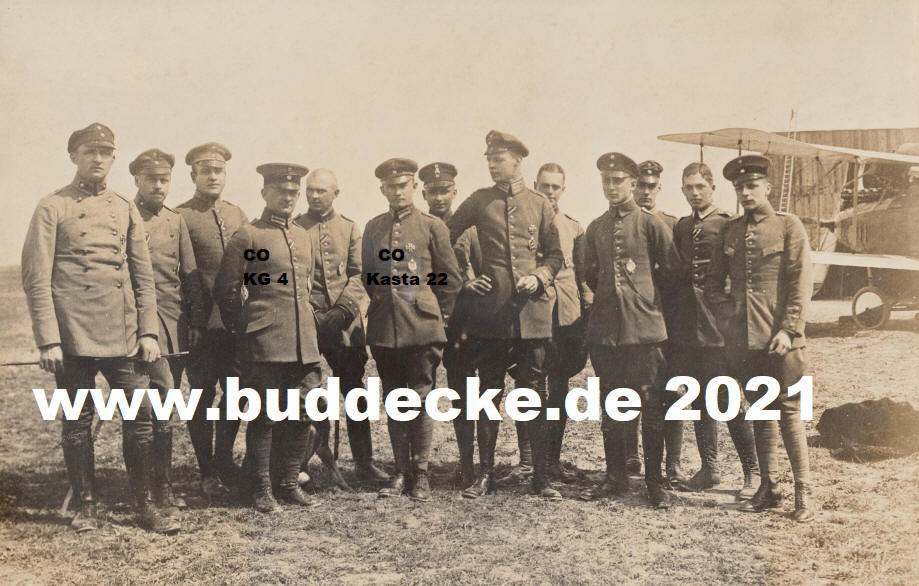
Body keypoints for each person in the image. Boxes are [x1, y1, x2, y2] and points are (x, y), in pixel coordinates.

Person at [21, 123, 177, 533]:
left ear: (113, 159)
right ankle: (86, 504)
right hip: (72, 336)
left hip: (123, 334)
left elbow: (143, 277)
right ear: (74, 156)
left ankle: (144, 504)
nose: (97, 159)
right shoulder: (52, 206)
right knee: (77, 420)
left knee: (141, 416)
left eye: (105, 153)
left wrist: (148, 332)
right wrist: (48, 339)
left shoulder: (123, 207)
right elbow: (36, 278)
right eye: (89, 152)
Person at [447, 131, 564, 500]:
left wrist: (539, 276)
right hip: (491, 316)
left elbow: (555, 255)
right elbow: (443, 238)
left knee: (534, 394)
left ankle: (541, 477)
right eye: (489, 159)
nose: (492, 165)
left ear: (517, 160)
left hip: (532, 316)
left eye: (498, 159)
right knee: (489, 393)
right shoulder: (479, 200)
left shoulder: (540, 204)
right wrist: (464, 279)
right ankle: (485, 475)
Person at [706, 155, 815, 522]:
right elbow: (712, 283)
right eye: (740, 187)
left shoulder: (788, 226)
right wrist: (727, 319)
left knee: (788, 412)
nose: (746, 193)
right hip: (744, 340)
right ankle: (770, 487)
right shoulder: (731, 231)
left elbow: (800, 283)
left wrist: (789, 329)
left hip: (781, 339)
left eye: (752, 186)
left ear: (767, 187)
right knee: (760, 411)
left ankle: (803, 492)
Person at [213, 163, 321, 512]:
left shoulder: (302, 235)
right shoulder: (249, 236)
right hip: (265, 343)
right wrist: (243, 329)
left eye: (293, 192)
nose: (288, 198)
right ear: (264, 193)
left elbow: (307, 288)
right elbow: (226, 290)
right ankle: (261, 489)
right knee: (264, 415)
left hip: (303, 342)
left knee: (303, 410)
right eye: (281, 191)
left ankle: (288, 483)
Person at [362, 158, 461, 501]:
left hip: (422, 328)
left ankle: (420, 473)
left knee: (419, 397)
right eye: (391, 186)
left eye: (403, 185)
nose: (397, 192)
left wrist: (440, 320)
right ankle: (400, 471)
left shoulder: (432, 226)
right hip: (385, 328)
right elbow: (368, 276)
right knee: (394, 399)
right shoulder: (373, 228)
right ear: (383, 190)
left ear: (414, 187)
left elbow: (450, 280)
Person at [579, 152, 675, 508]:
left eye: (618, 180)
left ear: (633, 184)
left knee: (650, 405)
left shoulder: (651, 224)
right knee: (613, 405)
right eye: (606, 180)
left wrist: (646, 304)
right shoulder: (596, 227)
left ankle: (654, 483)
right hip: (606, 334)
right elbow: (591, 274)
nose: (611, 186)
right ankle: (615, 477)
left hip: (645, 332)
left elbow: (672, 273)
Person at [668, 162, 759, 497]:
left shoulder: (728, 224)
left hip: (719, 327)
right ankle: (710, 469)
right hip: (688, 327)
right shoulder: (681, 227)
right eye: (688, 187)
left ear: (712, 188)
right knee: (697, 397)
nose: (695, 193)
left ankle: (753, 472)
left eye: (700, 187)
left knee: (726, 398)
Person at [294, 169, 389, 483]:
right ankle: (302, 461)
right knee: (306, 390)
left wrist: (343, 309)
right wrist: (311, 312)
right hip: (307, 322)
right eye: (310, 190)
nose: (314, 196)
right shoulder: (295, 227)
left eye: (321, 191)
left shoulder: (349, 228)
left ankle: (364, 462)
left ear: (336, 193)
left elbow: (359, 273)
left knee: (354, 390)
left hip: (345, 324)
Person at [129, 148, 207, 515]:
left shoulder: (175, 221)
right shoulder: (125, 216)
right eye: (151, 179)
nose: (158, 186)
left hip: (173, 328)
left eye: (164, 180)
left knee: (165, 405)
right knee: (140, 408)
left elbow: (190, 278)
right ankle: (146, 489)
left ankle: (162, 486)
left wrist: (195, 324)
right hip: (134, 328)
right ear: (137, 180)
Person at [176, 142, 248, 496]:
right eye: (206, 171)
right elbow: (184, 275)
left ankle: (224, 461)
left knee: (236, 393)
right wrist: (195, 322)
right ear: (194, 175)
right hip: (202, 326)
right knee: (202, 396)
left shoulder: (237, 214)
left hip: (235, 325)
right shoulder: (181, 216)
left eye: (218, 171)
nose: (213, 177)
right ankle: (206, 471)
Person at [419, 161, 482, 488]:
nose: (439, 197)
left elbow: (481, 268)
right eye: (433, 191)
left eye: (444, 191)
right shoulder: (417, 227)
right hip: (425, 320)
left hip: (462, 322)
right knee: (420, 389)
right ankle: (416, 466)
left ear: (454, 191)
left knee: (463, 392)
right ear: (424, 194)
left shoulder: (470, 228)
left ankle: (467, 464)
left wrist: (469, 285)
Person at [532, 163, 588, 483]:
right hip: (532, 316)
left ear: (563, 190)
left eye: (555, 187)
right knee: (531, 389)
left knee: (558, 390)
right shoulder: (526, 222)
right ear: (535, 185)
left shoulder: (573, 227)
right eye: (545, 186)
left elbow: (581, 275)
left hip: (565, 319)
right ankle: (530, 460)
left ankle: (552, 459)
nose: (550, 192)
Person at [635, 160, 685, 485]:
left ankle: (674, 463)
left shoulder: (672, 224)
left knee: (672, 391)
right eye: (641, 185)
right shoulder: (623, 224)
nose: (646, 191)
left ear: (659, 188)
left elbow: (678, 276)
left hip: (666, 323)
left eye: (651, 186)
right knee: (632, 391)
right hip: (634, 325)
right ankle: (631, 456)